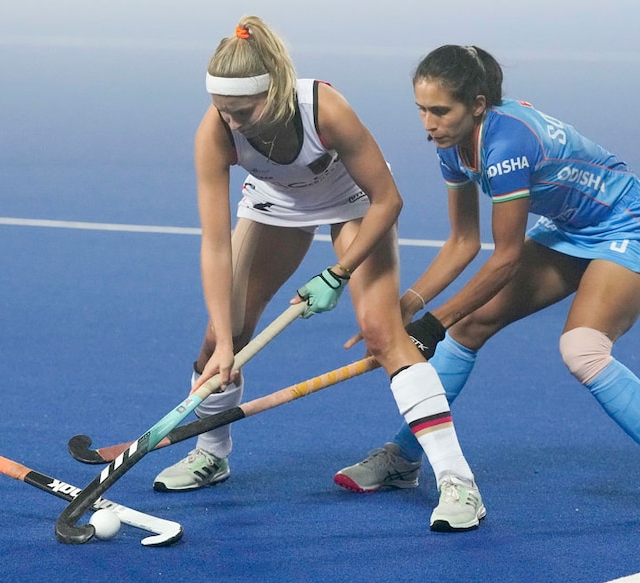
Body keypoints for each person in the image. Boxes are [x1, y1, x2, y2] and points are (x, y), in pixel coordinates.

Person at [335, 44, 640, 526]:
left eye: (440, 111)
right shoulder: (455, 146)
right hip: (570, 228)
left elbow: (505, 258)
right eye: (421, 110)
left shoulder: (506, 145)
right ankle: (403, 457)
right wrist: (407, 307)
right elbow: (461, 242)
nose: (428, 123)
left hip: (629, 225)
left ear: (478, 105)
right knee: (471, 325)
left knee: (582, 349)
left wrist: (432, 324)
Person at [152, 16, 485, 532]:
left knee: (382, 333)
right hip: (275, 205)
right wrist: (223, 340)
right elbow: (215, 243)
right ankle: (211, 452)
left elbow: (387, 199)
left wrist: (338, 272)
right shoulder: (216, 130)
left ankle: (457, 480)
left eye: (243, 111)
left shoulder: (324, 108)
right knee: (224, 337)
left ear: (275, 91)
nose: (233, 123)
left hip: (354, 202)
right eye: (224, 112)